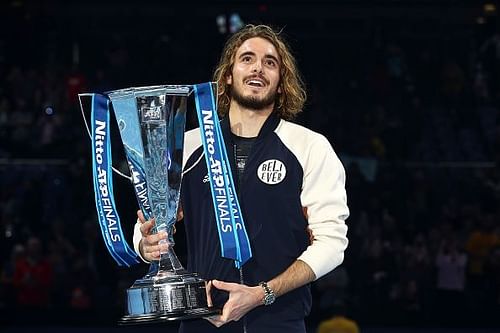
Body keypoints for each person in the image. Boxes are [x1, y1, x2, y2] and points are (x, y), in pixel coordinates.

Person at [133, 24, 349, 333]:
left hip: (278, 322)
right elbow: (146, 226)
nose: (258, 67)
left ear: (280, 84)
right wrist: (146, 245)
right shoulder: (189, 145)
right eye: (247, 58)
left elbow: (332, 244)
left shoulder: (310, 147)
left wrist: (263, 294)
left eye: (270, 62)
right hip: (201, 321)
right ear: (228, 76)